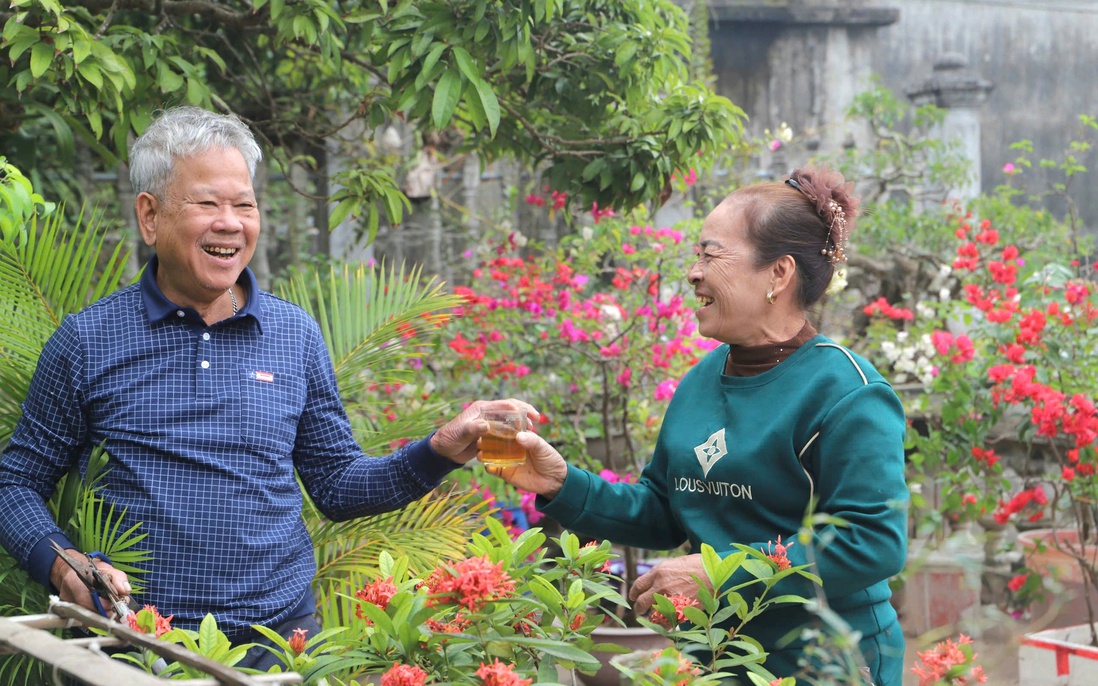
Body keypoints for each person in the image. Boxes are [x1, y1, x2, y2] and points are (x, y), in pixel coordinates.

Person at [0, 105, 520, 671]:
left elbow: (338, 484)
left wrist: (439, 448)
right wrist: (62, 562)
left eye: (244, 204)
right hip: (137, 645)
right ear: (150, 217)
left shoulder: (293, 334)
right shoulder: (89, 340)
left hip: (279, 646)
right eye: (208, 203)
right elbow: (15, 481)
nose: (231, 223)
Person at [493, 166, 909, 685]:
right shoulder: (700, 381)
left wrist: (719, 572)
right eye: (696, 255)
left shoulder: (847, 393)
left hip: (824, 663)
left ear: (778, 274)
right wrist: (561, 483)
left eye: (710, 254)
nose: (692, 272)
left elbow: (873, 542)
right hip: (717, 660)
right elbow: (664, 512)